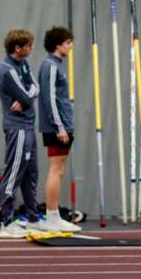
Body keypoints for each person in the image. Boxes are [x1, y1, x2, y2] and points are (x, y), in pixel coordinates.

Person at [0, 29, 41, 238]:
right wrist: (27, 98)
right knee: (13, 172)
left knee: (31, 173)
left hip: (28, 126)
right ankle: (6, 222)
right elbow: (30, 96)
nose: (31, 49)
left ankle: (33, 218)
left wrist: (25, 98)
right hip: (17, 127)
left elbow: (35, 87)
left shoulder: (23, 64)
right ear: (18, 48)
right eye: (29, 46)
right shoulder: (7, 71)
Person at [37, 27, 81, 232]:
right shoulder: (50, 66)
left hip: (63, 125)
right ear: (57, 45)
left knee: (59, 170)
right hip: (58, 127)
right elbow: (48, 99)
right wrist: (59, 126)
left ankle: (53, 216)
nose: (71, 46)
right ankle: (52, 217)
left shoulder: (57, 66)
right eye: (68, 42)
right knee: (56, 170)